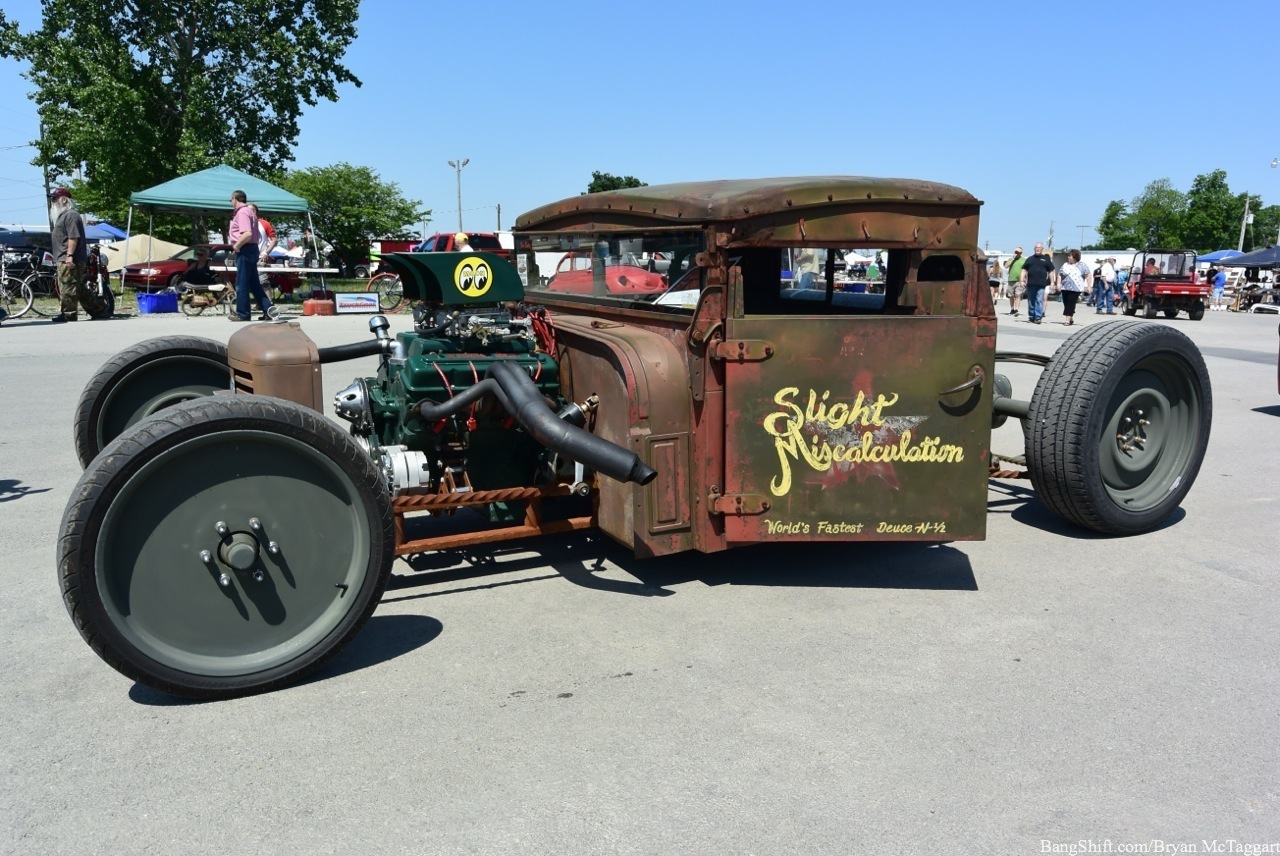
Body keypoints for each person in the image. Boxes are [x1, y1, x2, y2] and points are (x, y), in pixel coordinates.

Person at [48, 187, 109, 323]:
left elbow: (73, 237)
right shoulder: (64, 216)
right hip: (64, 257)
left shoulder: (71, 215)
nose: (53, 202)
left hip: (70, 258)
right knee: (77, 288)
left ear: (64, 200)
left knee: (68, 286)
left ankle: (68, 314)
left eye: (55, 199)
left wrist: (69, 255)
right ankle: (100, 309)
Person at [228, 190, 273, 322]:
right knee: (254, 284)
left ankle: (243, 313)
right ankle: (269, 310)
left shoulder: (242, 212)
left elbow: (247, 233)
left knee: (241, 283)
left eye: (231, 200)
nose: (231, 202)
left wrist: (236, 246)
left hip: (245, 249)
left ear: (234, 199)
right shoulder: (250, 212)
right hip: (252, 248)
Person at [1020, 242, 1055, 324]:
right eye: (1036, 247)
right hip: (1031, 284)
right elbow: (1024, 270)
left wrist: (1052, 282)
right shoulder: (1030, 259)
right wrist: (1021, 280)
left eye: (1039, 248)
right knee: (1031, 301)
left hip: (1041, 284)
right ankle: (1032, 316)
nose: (1037, 249)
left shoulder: (1046, 259)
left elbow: (1051, 271)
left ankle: (1038, 317)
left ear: (1042, 249)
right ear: (1034, 249)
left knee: (1039, 300)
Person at [1057, 249, 1089, 326]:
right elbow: (1059, 274)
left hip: (1076, 288)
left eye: (1070, 256)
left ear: (1075, 256)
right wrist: (1058, 284)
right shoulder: (1065, 264)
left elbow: (1088, 275)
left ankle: (1067, 319)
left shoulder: (1082, 265)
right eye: (1068, 256)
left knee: (1071, 302)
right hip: (1065, 287)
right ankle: (1070, 317)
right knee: (1066, 303)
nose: (1068, 257)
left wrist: (1089, 286)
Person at [1006, 247, 1026, 316]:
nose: (1016, 253)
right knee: (1011, 295)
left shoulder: (1024, 260)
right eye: (1016, 252)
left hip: (1019, 280)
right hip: (1011, 279)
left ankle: (1016, 309)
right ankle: (1012, 309)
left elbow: (1026, 270)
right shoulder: (1011, 259)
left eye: (1018, 252)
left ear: (1021, 253)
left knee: (1018, 294)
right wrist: (1012, 259)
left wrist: (1025, 279)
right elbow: (1006, 266)